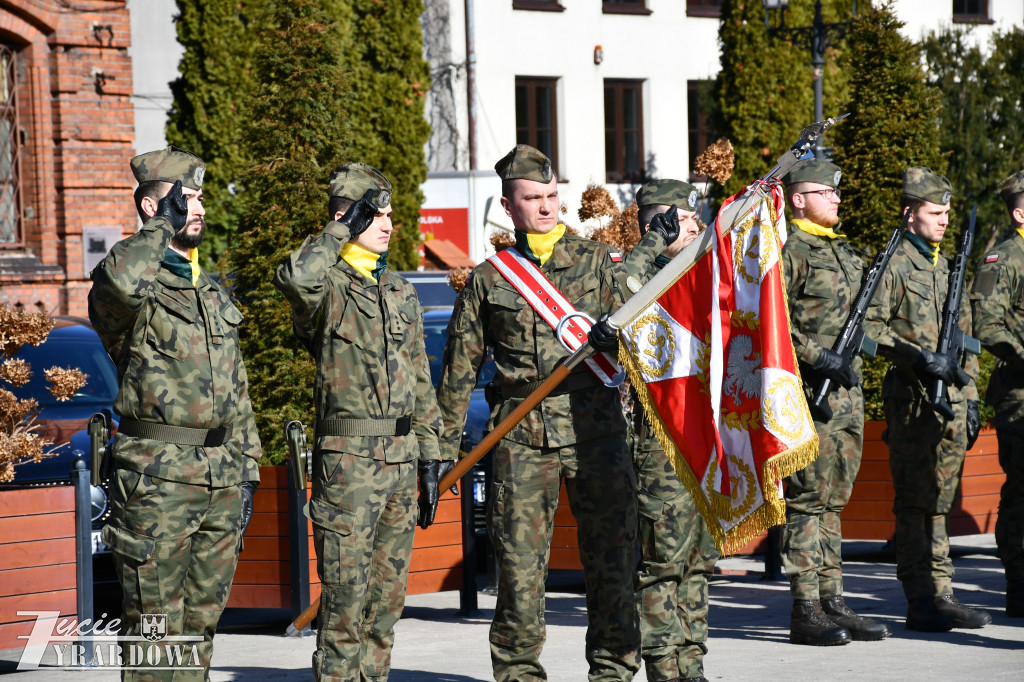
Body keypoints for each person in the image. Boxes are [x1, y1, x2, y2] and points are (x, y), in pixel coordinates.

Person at [435, 144, 646, 681]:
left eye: (552, 195)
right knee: (519, 573)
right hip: (520, 438)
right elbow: (458, 373)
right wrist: (439, 452)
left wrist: (617, 340)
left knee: (614, 564)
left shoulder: (600, 264)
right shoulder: (490, 279)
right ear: (509, 206)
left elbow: (650, 343)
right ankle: (518, 673)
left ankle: (614, 672)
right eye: (533, 198)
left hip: (597, 431)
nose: (547, 206)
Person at [89, 146, 262, 680]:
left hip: (220, 479)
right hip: (156, 483)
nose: (198, 208)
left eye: (201, 198)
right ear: (151, 206)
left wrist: (248, 470)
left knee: (199, 630)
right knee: (155, 631)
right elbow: (120, 285)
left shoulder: (209, 290)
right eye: (184, 198)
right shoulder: (130, 284)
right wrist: (159, 229)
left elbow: (236, 389)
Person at [273, 163, 447, 681]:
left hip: (401, 462)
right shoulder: (327, 287)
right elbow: (295, 277)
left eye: (390, 214)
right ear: (347, 217)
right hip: (348, 465)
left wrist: (431, 455)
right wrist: (339, 229)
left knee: (386, 606)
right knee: (344, 605)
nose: (388, 224)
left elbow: (420, 378)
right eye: (376, 214)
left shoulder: (399, 289)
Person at [864, 166, 990, 632]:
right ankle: (919, 598)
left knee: (941, 500)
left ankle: (943, 592)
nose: (944, 220)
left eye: (947, 213)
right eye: (935, 212)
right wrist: (918, 357)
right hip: (913, 402)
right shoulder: (894, 264)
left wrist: (971, 397)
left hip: (951, 401)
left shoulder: (945, 264)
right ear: (909, 213)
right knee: (915, 502)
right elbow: (869, 332)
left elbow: (967, 340)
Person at [778, 159, 893, 645]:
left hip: (847, 395)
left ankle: (833, 601)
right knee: (807, 499)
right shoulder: (788, 251)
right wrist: (818, 356)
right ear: (799, 199)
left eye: (837, 192)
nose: (837, 198)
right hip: (809, 394)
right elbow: (770, 322)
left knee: (833, 501)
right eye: (827, 192)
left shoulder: (844, 251)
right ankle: (805, 608)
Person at [623, 180, 721, 682]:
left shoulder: (704, 274)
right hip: (659, 443)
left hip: (705, 437)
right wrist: (651, 245)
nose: (695, 227)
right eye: (682, 220)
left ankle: (692, 662)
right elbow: (620, 297)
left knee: (699, 559)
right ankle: (664, 667)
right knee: (662, 560)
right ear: (655, 225)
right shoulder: (636, 275)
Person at [970, 168, 1024, 618]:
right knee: (1022, 493)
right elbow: (987, 324)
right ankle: (1019, 584)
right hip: (1020, 395)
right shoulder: (1003, 259)